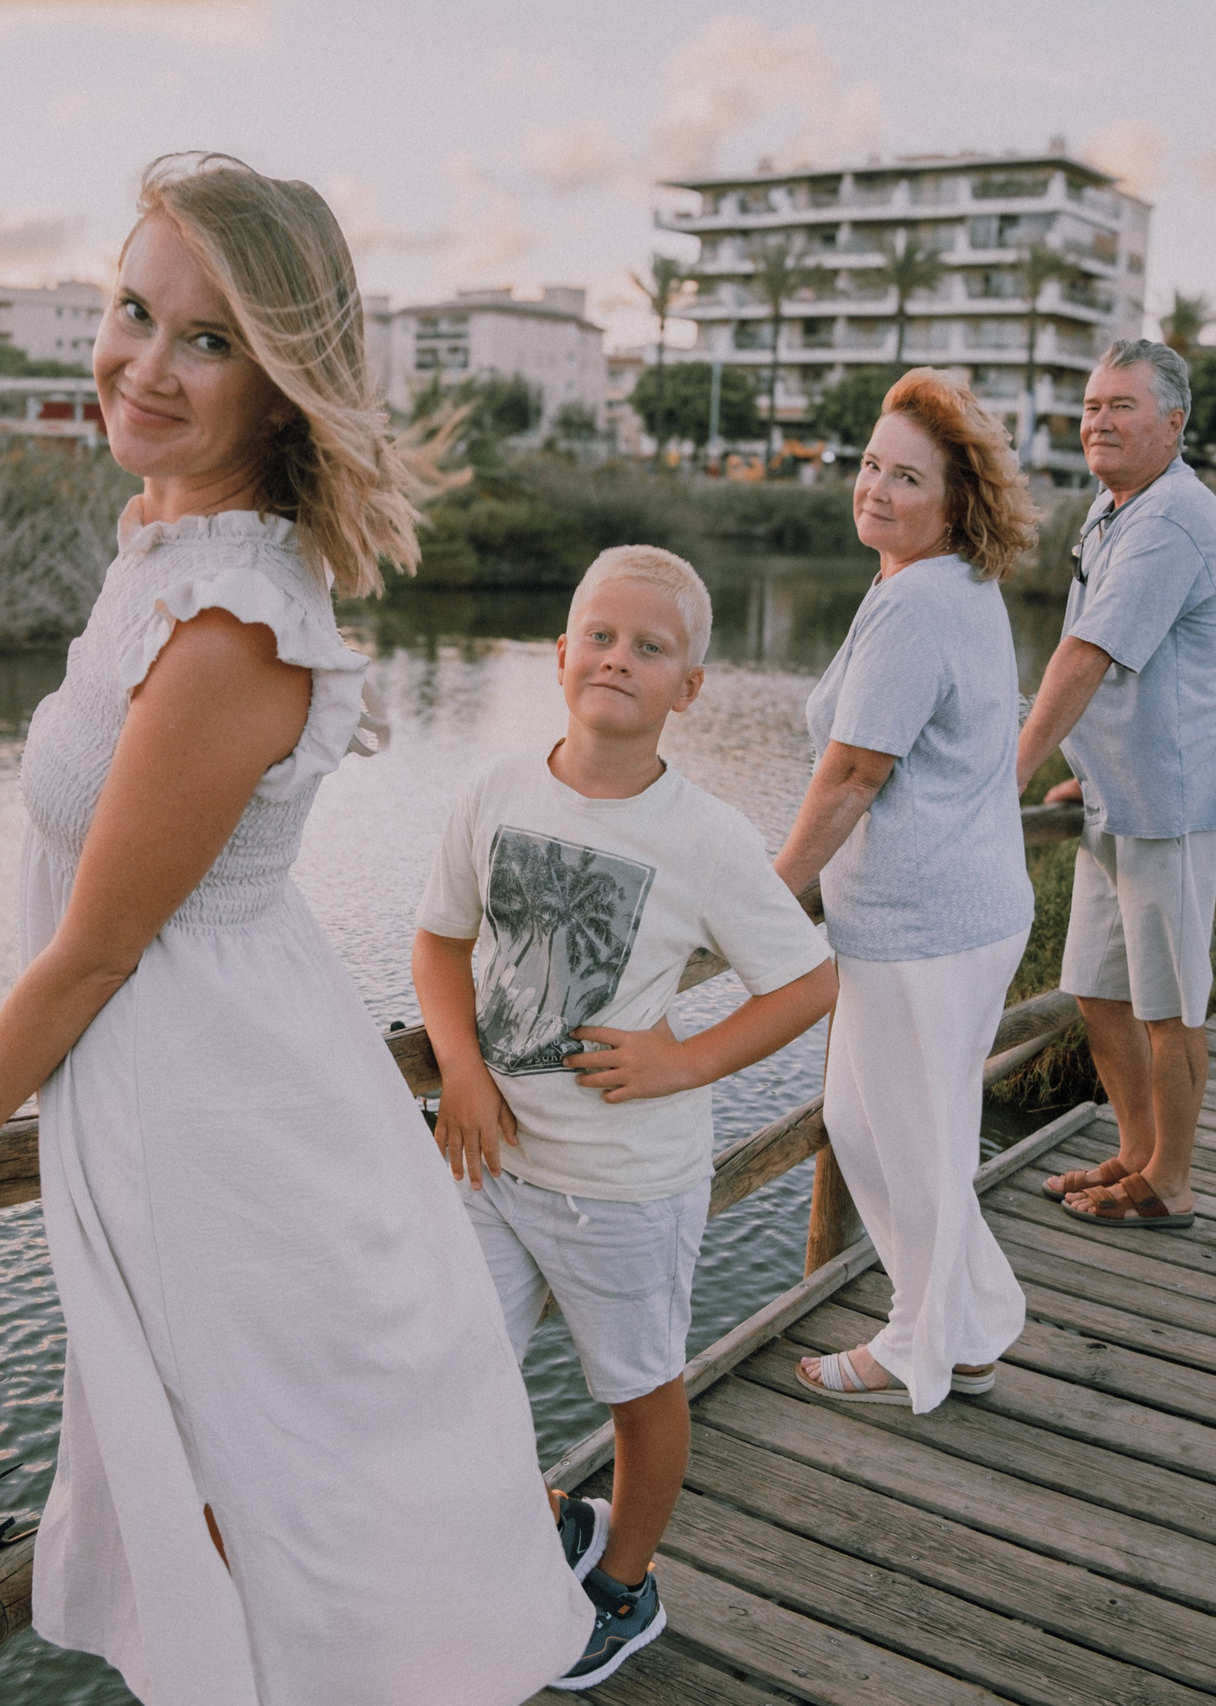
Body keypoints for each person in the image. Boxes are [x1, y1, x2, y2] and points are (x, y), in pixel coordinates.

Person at [0, 153, 592, 1705]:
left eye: (208, 340)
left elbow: (97, 947)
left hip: (213, 1114)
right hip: (182, 1075)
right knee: (235, 1492)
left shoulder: (235, 621)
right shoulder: (169, 540)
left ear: (285, 385)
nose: (145, 363)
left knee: (270, 1504)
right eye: (132, 310)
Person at [413, 545, 838, 1690]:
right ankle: (548, 1509)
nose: (617, 658)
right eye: (599, 635)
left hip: (625, 1183)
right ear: (559, 655)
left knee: (640, 1388)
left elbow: (807, 981)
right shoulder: (494, 791)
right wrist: (457, 1062)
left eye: (650, 647)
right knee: (453, 1372)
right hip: (489, 1159)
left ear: (687, 687)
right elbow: (440, 940)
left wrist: (681, 1058)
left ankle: (624, 1581)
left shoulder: (704, 835)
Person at [771, 368, 1040, 1412]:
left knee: (906, 1138)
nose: (874, 489)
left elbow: (851, 773)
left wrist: (766, 893)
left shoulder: (921, 602)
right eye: (870, 466)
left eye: (906, 477)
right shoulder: (925, 582)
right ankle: (961, 1323)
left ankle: (920, 1340)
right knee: (872, 1124)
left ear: (956, 500)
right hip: (931, 915)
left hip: (927, 924)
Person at [1016, 340, 1216, 1232]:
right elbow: (1098, 673)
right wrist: (1081, 768)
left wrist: (1015, 773)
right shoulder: (1116, 509)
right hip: (1117, 797)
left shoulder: (1173, 521)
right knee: (1099, 990)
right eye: (1090, 406)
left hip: (1173, 809)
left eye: (1122, 406)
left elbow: (1088, 655)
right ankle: (1139, 1152)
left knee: (1170, 1004)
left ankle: (1172, 1184)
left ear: (1175, 423)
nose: (1098, 421)